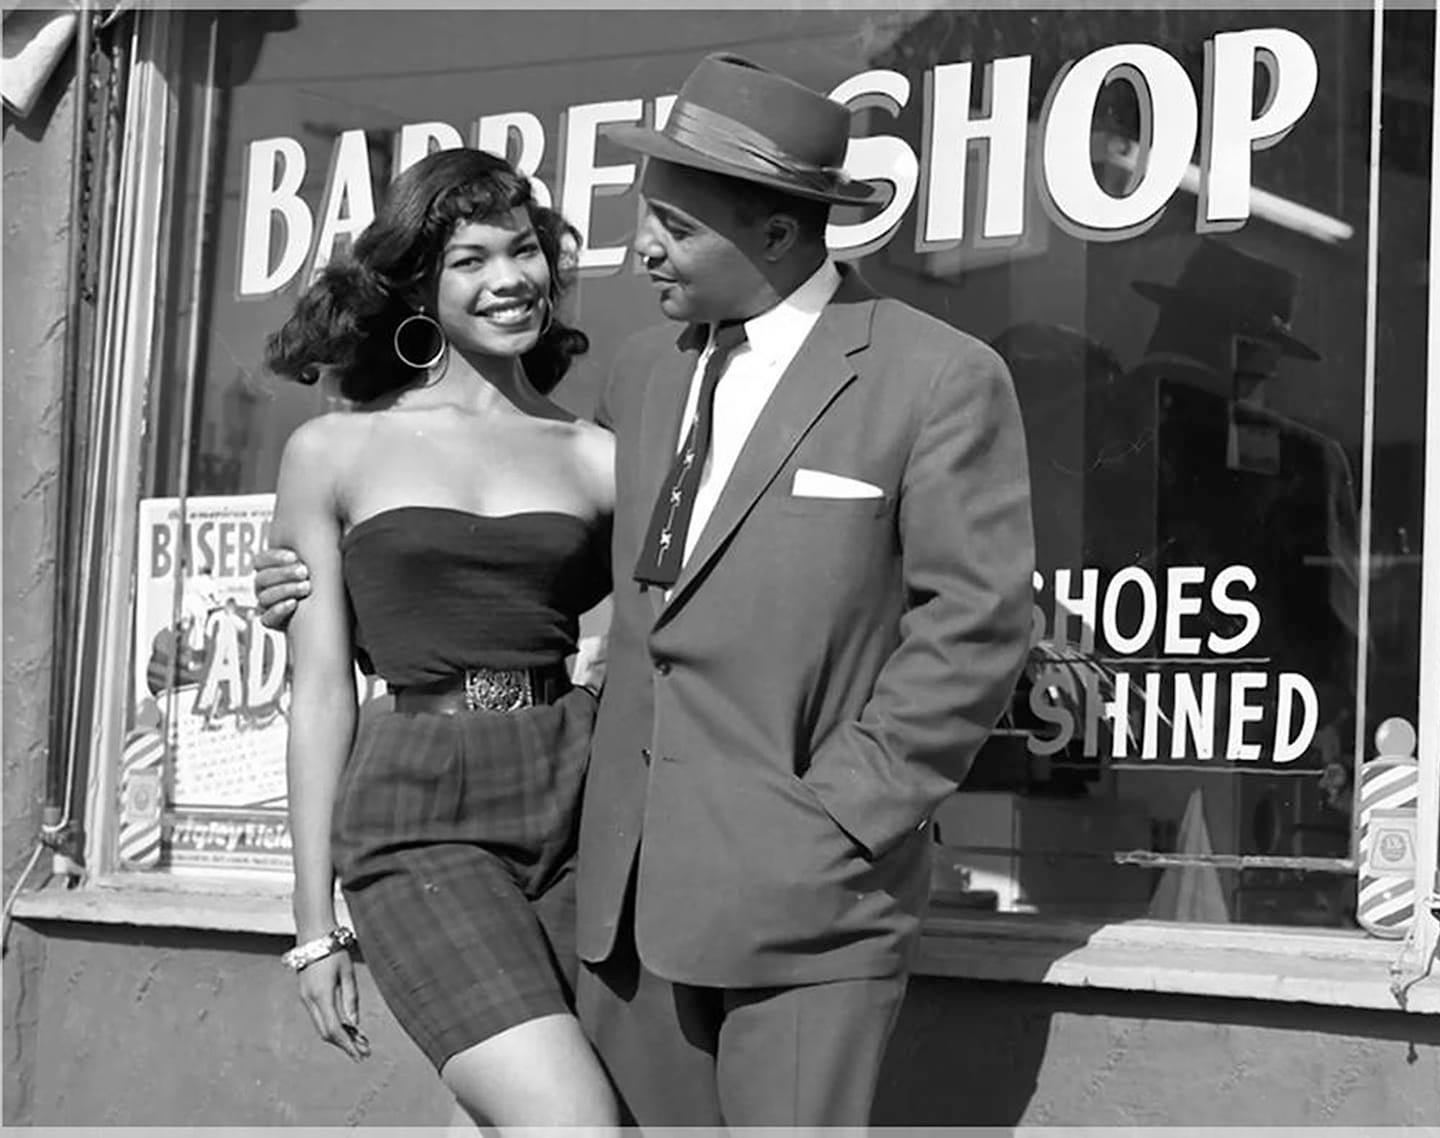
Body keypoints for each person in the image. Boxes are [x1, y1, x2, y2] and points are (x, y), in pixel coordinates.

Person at [257, 53, 1034, 1126]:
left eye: (672, 221)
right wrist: (314, 587)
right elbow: (507, 592)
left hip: (784, 879)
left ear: (775, 233)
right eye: (643, 215)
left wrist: (848, 815)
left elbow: (977, 624)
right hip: (601, 873)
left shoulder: (931, 374)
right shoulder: (646, 379)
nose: (641, 247)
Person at [260, 146, 619, 1130]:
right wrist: (310, 924)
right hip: (421, 804)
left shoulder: (597, 458)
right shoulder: (335, 448)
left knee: (519, 1115)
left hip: (581, 790)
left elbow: (656, 629)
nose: (509, 279)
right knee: (571, 1121)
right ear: (419, 281)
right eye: (471, 259)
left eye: (524, 250)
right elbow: (323, 690)